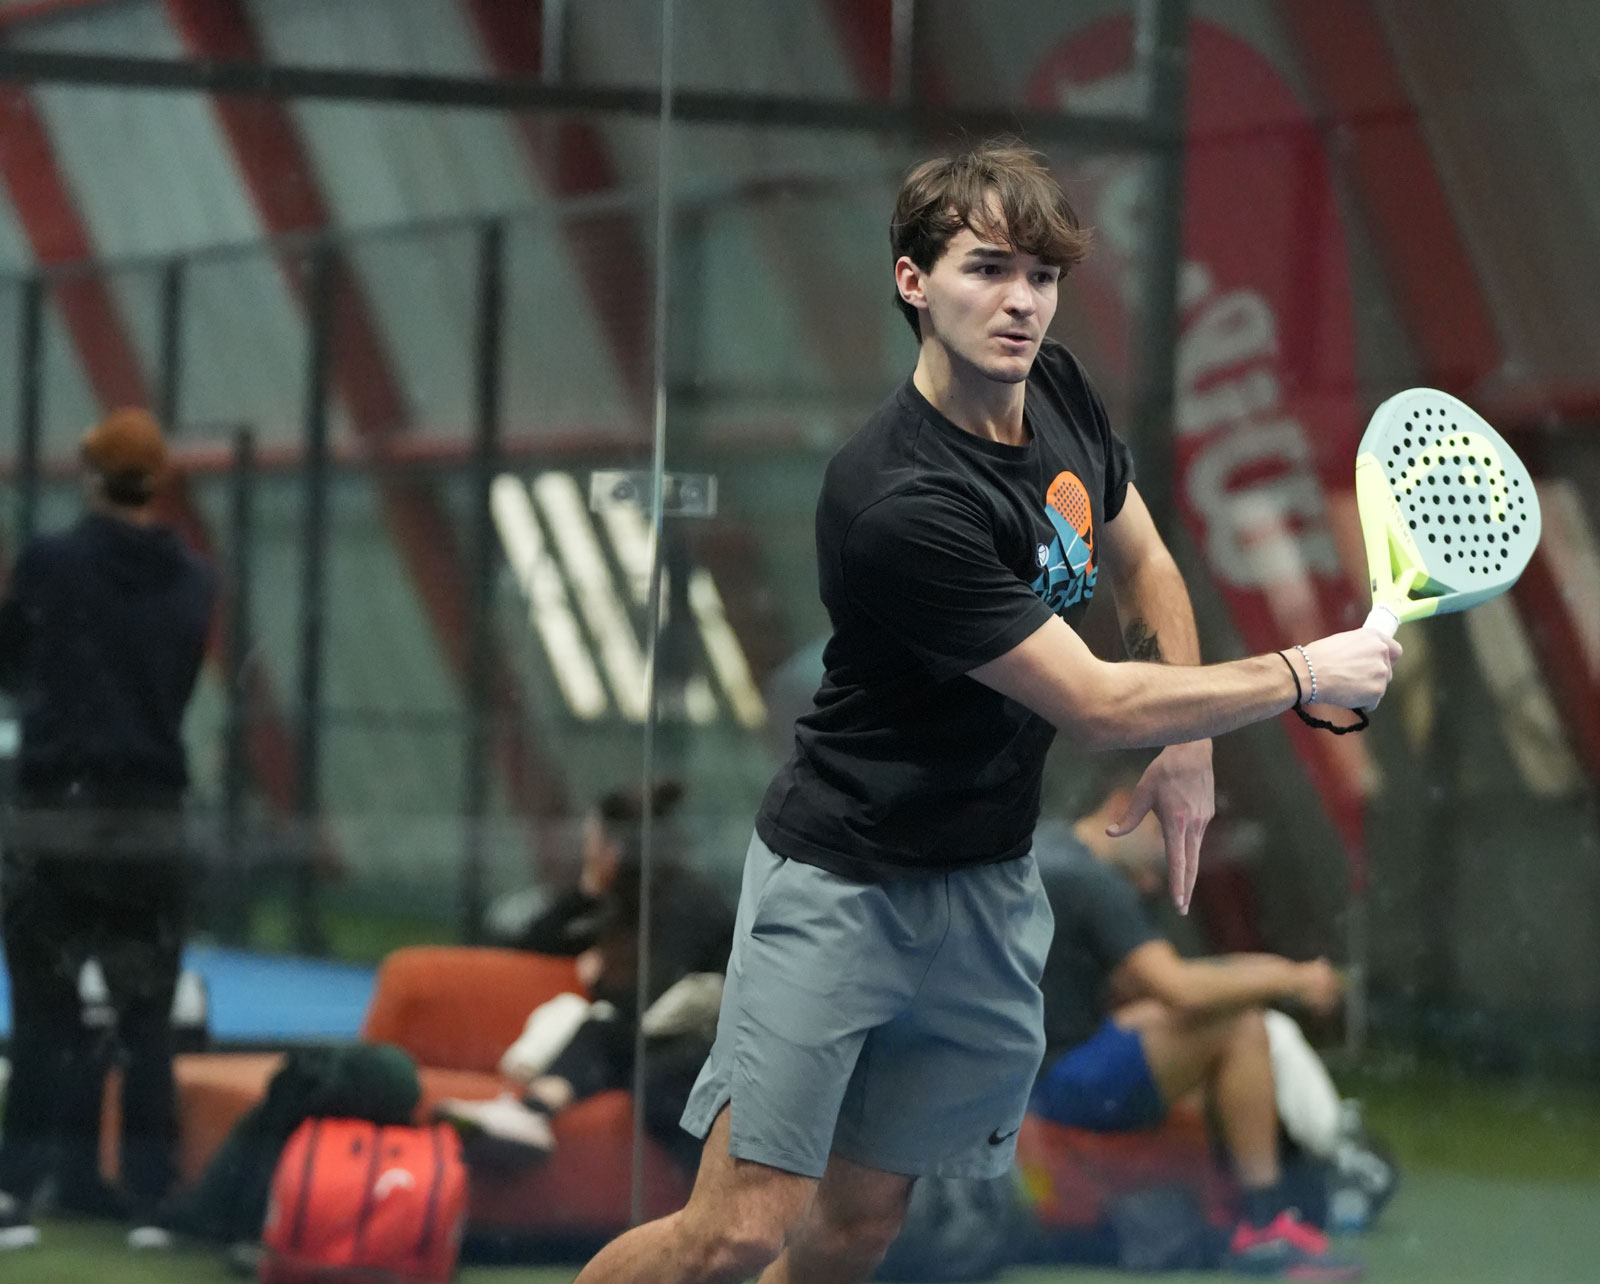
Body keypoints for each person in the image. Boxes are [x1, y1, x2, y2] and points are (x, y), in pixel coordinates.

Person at [569, 139, 1399, 1284]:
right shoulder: (899, 502)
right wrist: (1304, 672)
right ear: (913, 281)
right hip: (841, 888)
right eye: (986, 269)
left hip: (984, 891)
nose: (1020, 302)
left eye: (1042, 277)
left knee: (859, 1226)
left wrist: (1190, 740)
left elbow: (1143, 555)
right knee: (740, 1227)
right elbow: (1096, 701)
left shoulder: (1052, 386)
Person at [1032, 768, 1394, 1277]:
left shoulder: (1048, 850)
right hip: (1053, 1084)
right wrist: (1287, 977)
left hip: (1022, 1073)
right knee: (1238, 1027)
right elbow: (1179, 986)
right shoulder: (1090, 880)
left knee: (1203, 1038)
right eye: (1167, 831)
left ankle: (1226, 1212)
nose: (1172, 851)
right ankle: (1265, 1226)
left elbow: (1127, 990)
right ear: (1122, 808)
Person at [0, 408, 215, 1251]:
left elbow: (15, 666)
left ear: (91, 476)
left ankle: (18, 1190)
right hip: (152, 820)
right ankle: (152, 1201)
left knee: (46, 1010)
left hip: (59, 813)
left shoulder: (52, 564)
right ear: (159, 481)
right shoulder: (195, 578)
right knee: (146, 1014)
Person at [439, 781, 734, 1173]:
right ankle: (531, 1112)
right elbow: (529, 943)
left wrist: (605, 984)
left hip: (705, 1056)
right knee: (602, 1032)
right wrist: (584, 891)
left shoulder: (686, 903)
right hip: (657, 1051)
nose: (586, 853)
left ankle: (531, 1111)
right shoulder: (623, 906)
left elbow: (657, 1005)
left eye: (592, 842)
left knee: (602, 1032)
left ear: (615, 849)